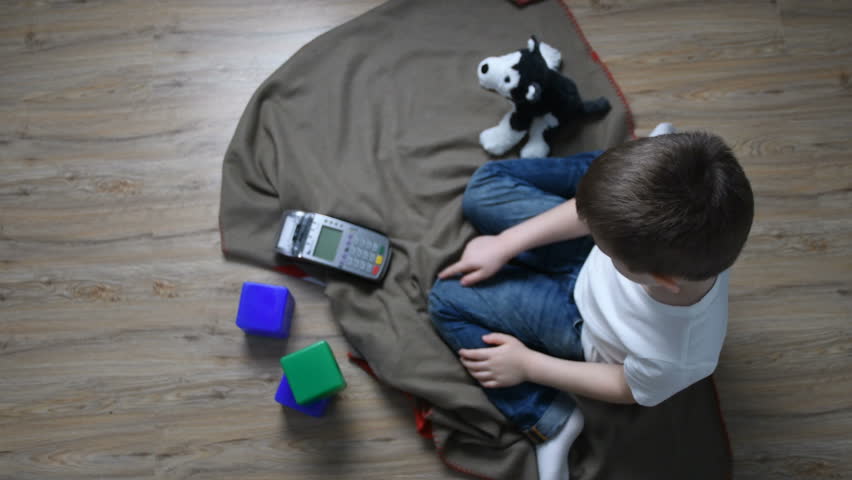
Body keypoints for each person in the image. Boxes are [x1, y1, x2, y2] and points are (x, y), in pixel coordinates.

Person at [428, 123, 754, 480]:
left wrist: (527, 365)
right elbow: (586, 219)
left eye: (609, 250)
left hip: (582, 324)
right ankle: (620, 176)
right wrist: (506, 243)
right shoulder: (681, 248)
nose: (602, 245)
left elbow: (625, 387)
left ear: (661, 280)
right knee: (484, 187)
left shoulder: (679, 355)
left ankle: (548, 419)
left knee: (447, 298)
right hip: (598, 253)